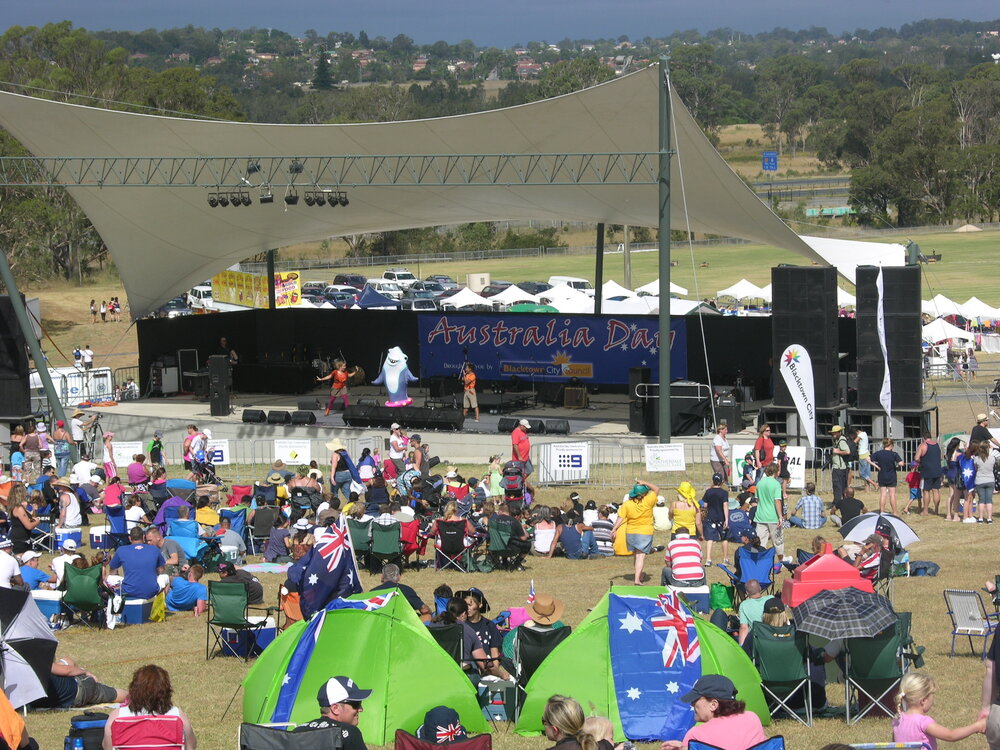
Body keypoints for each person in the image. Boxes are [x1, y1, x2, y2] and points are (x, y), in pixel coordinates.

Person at [102, 665, 196, 750]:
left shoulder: (117, 716)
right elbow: (191, 746)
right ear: (166, 691)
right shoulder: (177, 715)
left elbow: (107, 747)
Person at [662, 675, 766, 750]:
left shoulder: (695, 735)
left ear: (713, 705)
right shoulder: (752, 718)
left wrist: (686, 747)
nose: (692, 704)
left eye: (695, 699)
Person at [894, 671, 984, 748]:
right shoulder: (923, 722)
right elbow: (951, 735)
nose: (934, 700)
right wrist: (977, 726)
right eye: (932, 694)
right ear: (923, 700)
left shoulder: (897, 720)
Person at [293, 675, 370, 750]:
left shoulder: (298, 731)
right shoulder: (350, 732)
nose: (361, 709)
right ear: (335, 708)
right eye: (356, 704)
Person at [611, 480, 660, 585]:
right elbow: (656, 489)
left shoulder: (627, 504)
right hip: (645, 532)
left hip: (631, 532)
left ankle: (639, 574)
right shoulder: (648, 501)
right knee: (640, 556)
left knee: (636, 555)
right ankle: (637, 579)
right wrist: (645, 482)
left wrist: (614, 529)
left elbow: (621, 517)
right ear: (644, 493)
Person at [32, 656, 127, 710]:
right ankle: (136, 696)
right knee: (111, 694)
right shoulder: (38, 663)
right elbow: (68, 670)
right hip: (80, 688)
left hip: (70, 698)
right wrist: (85, 672)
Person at [109, 527, 168, 600]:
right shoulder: (154, 549)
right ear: (143, 537)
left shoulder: (121, 550)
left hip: (128, 591)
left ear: (130, 538)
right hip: (151, 591)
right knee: (165, 577)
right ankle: (162, 604)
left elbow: (112, 571)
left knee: (109, 578)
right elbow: (161, 570)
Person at [458, 587, 504, 672]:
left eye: (470, 605)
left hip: (488, 668)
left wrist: (495, 672)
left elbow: (494, 651)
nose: (467, 608)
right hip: (469, 668)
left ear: (480, 604)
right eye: (464, 605)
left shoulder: (489, 625)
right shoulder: (462, 625)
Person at [753, 463, 784, 558]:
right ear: (775, 471)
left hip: (760, 516)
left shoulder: (759, 483)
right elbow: (777, 501)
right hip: (772, 517)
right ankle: (781, 561)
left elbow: (757, 499)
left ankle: (758, 560)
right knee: (778, 541)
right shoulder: (776, 484)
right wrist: (780, 516)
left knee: (760, 542)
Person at [869, 438, 905, 515]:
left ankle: (882, 511)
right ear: (891, 445)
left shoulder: (879, 453)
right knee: (892, 494)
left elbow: (868, 459)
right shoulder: (894, 454)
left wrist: (876, 466)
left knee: (883, 494)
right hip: (891, 476)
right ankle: (895, 512)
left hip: (882, 475)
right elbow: (901, 463)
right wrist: (898, 464)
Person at [701, 473, 729, 566]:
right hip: (721, 517)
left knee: (710, 538)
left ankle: (708, 559)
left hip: (710, 517)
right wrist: (727, 519)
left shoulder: (708, 492)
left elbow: (705, 505)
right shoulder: (724, 493)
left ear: (713, 481)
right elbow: (725, 506)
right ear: (721, 482)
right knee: (724, 538)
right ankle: (725, 559)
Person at [914, 432, 943, 516]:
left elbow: (916, 458)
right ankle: (936, 510)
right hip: (937, 470)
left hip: (926, 471)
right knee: (936, 490)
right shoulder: (937, 445)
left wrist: (921, 461)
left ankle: (925, 510)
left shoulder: (923, 445)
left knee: (926, 491)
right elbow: (941, 457)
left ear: (923, 438)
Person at [737, 581, 768, 646]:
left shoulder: (744, 605)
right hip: (773, 636)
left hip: (756, 639)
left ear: (747, 592)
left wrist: (741, 647)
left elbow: (744, 628)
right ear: (760, 588)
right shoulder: (771, 598)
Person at [974, 441, 997, 524]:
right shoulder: (992, 458)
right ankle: (989, 518)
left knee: (981, 500)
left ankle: (980, 518)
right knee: (989, 500)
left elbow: (976, 468)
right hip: (990, 480)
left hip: (980, 480)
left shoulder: (976, 459)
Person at [830, 425, 851, 505]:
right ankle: (844, 502)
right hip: (842, 467)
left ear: (839, 432)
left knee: (837, 486)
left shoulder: (841, 441)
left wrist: (837, 451)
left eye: (835, 432)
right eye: (833, 433)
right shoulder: (839, 440)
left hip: (839, 468)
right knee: (842, 486)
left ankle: (837, 503)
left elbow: (847, 451)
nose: (833, 434)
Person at [853, 426, 878, 493]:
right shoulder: (865, 433)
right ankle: (867, 489)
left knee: (862, 473)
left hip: (862, 455)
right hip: (867, 454)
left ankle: (874, 484)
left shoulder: (860, 435)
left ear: (856, 432)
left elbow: (854, 442)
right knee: (867, 472)